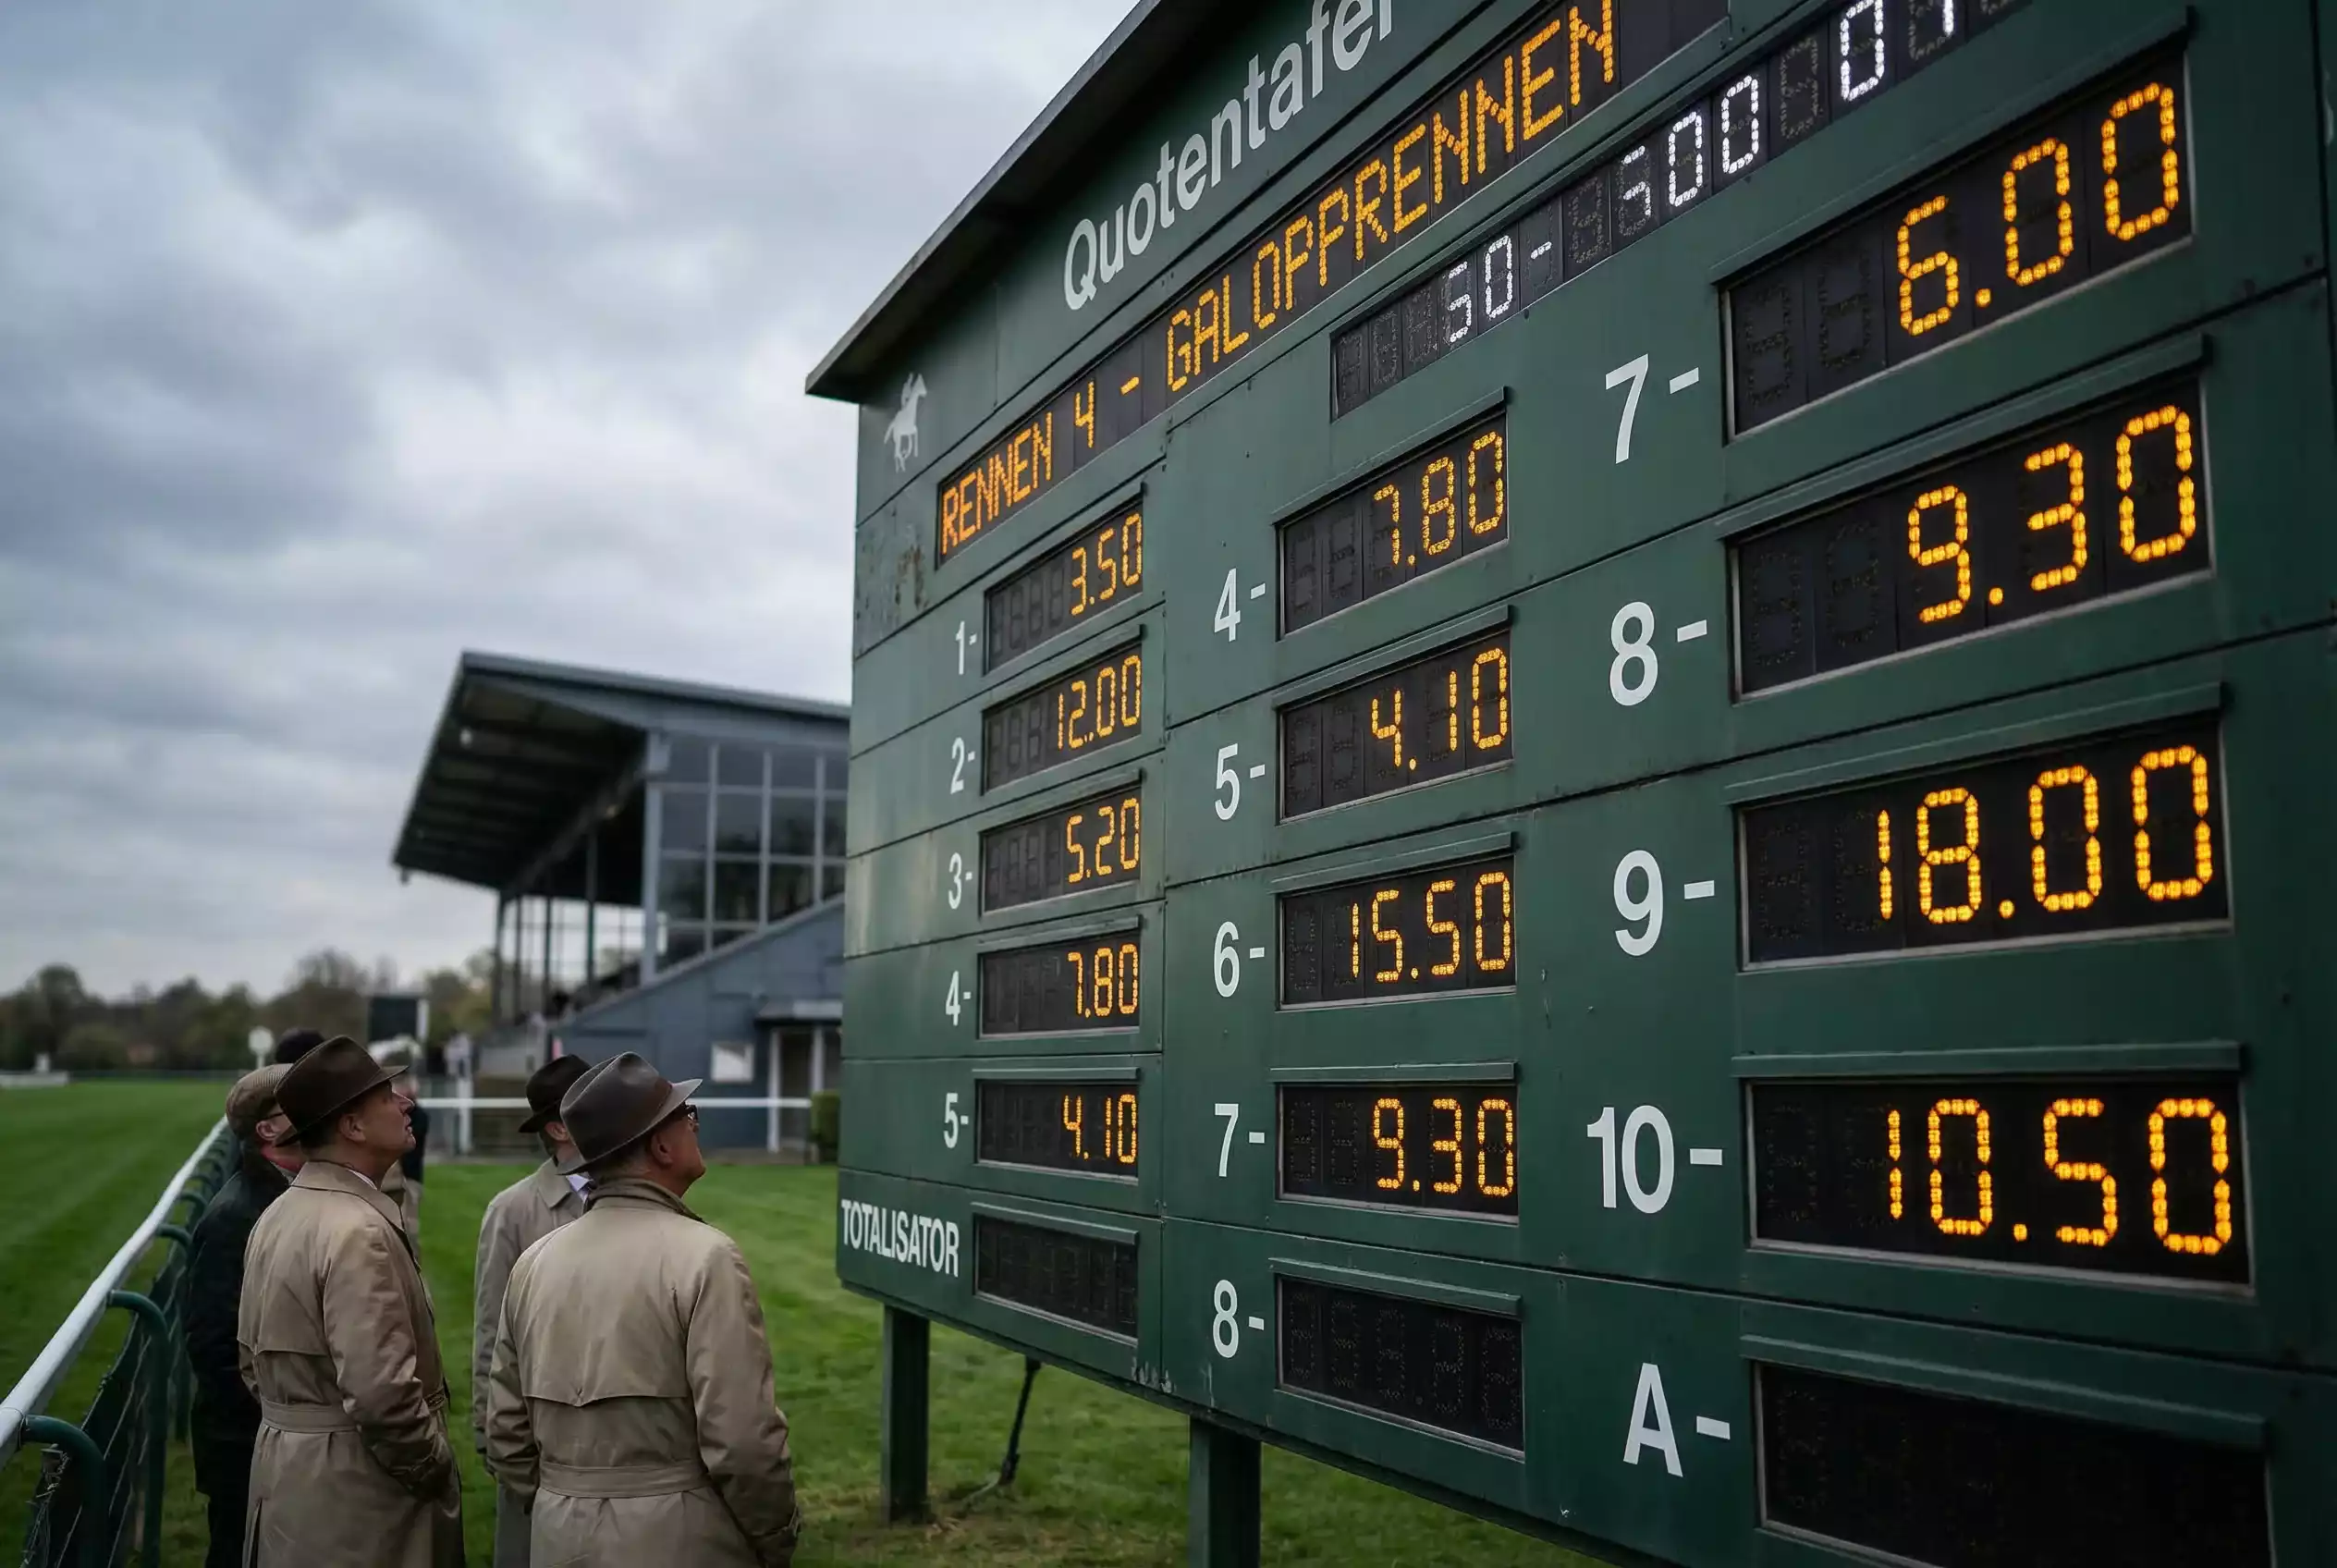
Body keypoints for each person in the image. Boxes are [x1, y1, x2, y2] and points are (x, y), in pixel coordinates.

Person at [485, 1053, 801, 1566]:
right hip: (683, 1538)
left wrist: (564, 1501)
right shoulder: (706, 1257)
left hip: (558, 1536)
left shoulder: (532, 1263)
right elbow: (743, 1444)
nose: (696, 1125)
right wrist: (775, 1535)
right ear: (660, 1144)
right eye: (688, 1115)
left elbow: (506, 1432)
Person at [238, 1035, 464, 1566]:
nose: (406, 1103)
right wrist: (433, 1466)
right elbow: (382, 1397)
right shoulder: (357, 1228)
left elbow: (251, 1364)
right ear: (353, 1126)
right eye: (387, 1096)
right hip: (362, 1500)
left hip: (289, 1476)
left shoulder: (277, 1213)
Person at [472, 1054, 594, 1567]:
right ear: (559, 1129)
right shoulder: (512, 1212)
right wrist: (496, 1443)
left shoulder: (645, 1196)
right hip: (540, 1449)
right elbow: (490, 1335)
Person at [183, 1066, 302, 1568]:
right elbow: (213, 1345)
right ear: (268, 1129)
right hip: (246, 1448)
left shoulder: (280, 1197)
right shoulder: (235, 1216)